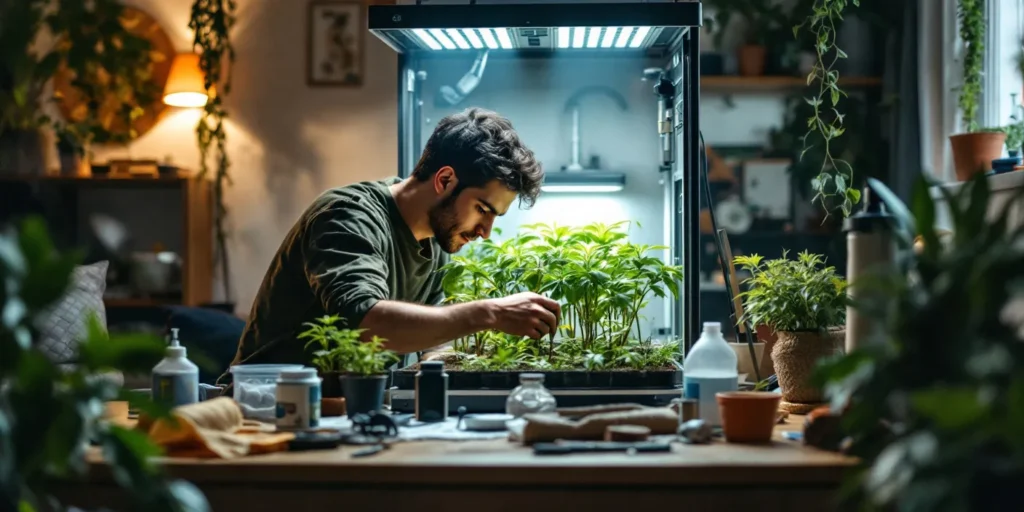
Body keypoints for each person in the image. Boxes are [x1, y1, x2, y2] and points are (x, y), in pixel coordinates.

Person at [222, 107, 561, 373]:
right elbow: (366, 322)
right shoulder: (348, 215)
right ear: (444, 179)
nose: (485, 231)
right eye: (482, 209)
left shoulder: (437, 243)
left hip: (349, 413)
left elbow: (433, 334)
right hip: (268, 411)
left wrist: (433, 366)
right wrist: (489, 313)